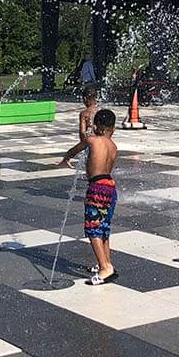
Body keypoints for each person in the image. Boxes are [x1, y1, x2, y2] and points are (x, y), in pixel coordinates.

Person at [60, 108, 118, 285]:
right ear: (113, 128)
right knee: (104, 228)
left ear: (97, 127)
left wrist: (66, 158)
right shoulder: (113, 145)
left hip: (97, 189)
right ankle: (107, 263)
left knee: (93, 228)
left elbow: (75, 149)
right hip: (110, 187)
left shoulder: (92, 140)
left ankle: (104, 268)